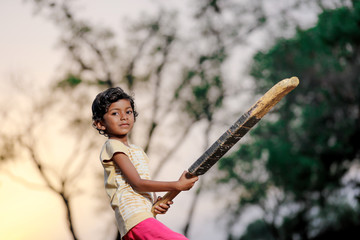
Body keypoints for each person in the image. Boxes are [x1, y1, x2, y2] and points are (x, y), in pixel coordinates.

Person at [92, 87, 199, 240]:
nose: (123, 117)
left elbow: (143, 183)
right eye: (115, 113)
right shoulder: (113, 145)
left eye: (128, 112)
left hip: (145, 218)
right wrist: (177, 185)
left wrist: (156, 202)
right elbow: (138, 183)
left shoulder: (136, 150)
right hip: (135, 218)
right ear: (100, 124)